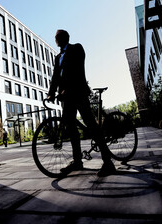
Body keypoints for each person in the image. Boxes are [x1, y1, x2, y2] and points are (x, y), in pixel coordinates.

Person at [47, 29, 116, 177]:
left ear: (64, 38)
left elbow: (77, 70)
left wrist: (67, 88)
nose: (56, 40)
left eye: (57, 37)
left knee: (91, 124)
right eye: (55, 38)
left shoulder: (76, 48)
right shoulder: (57, 57)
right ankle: (77, 161)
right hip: (66, 98)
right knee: (71, 129)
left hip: (78, 93)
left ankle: (108, 163)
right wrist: (51, 93)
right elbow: (55, 77)